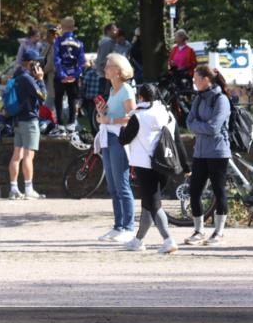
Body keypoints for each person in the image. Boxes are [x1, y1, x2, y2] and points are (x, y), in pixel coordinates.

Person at [119, 83, 181, 254]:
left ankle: (168, 240)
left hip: (145, 165)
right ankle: (138, 240)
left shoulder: (138, 116)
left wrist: (123, 128)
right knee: (147, 203)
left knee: (154, 205)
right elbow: (176, 138)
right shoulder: (166, 113)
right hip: (164, 163)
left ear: (140, 97)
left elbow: (123, 139)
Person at [185, 65, 232, 246]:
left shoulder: (221, 100)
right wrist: (200, 126)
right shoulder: (199, 98)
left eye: (196, 78)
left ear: (206, 79)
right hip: (200, 152)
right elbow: (188, 123)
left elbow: (214, 127)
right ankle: (199, 230)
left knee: (219, 191)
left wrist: (198, 126)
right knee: (195, 191)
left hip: (218, 152)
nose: (194, 82)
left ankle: (219, 232)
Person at [95, 53, 137, 242]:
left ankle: (128, 227)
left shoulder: (127, 90)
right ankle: (118, 225)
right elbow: (111, 115)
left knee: (122, 185)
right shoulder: (112, 91)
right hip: (108, 138)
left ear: (118, 71)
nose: (105, 68)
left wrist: (109, 119)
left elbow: (133, 117)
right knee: (113, 186)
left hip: (119, 139)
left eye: (109, 65)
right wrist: (102, 114)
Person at [7, 50, 47, 200]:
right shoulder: (27, 78)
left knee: (16, 155)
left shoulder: (17, 76)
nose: (38, 65)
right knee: (28, 156)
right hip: (29, 121)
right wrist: (41, 79)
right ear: (30, 63)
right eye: (36, 62)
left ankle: (13, 189)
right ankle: (29, 189)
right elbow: (43, 97)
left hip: (17, 120)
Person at [54, 17, 86, 126]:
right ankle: (72, 122)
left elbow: (56, 59)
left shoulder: (58, 41)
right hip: (73, 74)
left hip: (60, 75)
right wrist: (74, 75)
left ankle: (59, 123)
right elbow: (82, 62)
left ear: (62, 28)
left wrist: (62, 74)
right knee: (72, 99)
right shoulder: (79, 43)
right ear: (73, 28)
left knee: (58, 99)